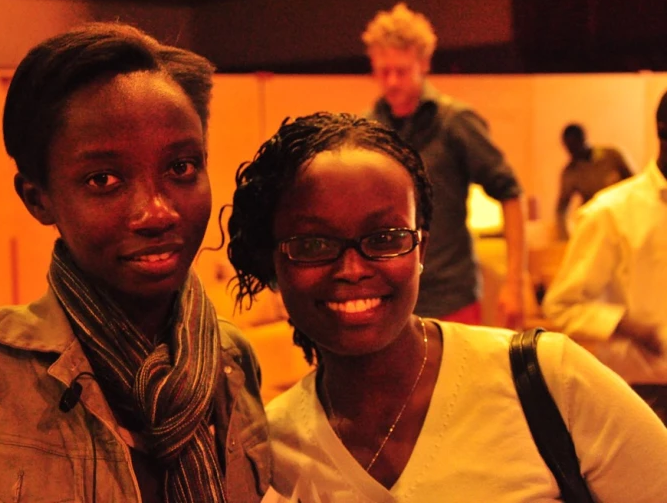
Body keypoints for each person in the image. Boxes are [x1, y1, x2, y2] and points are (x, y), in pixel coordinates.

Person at [0, 23, 270, 502]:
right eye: (104, 179)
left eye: (181, 168)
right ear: (38, 199)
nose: (157, 212)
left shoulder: (231, 362)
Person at [227, 111, 667, 502]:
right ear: (273, 263)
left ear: (422, 252)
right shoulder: (271, 456)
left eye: (385, 239)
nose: (352, 268)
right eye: (314, 244)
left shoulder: (545, 379)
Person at [363, 2, 526, 328]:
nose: (392, 82)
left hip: (452, 298)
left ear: (424, 63)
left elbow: (510, 193)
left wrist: (515, 283)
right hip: (391, 297)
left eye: (402, 70)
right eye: (384, 71)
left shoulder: (456, 122)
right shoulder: (369, 128)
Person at [543, 93, 667, 422]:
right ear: (663, 131)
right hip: (646, 390)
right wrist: (627, 325)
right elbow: (561, 305)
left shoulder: (612, 159)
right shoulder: (609, 213)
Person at [555, 123, 634, 240]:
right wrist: (566, 238)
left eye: (576, 146)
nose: (573, 152)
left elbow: (634, 183)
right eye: (570, 148)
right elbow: (561, 209)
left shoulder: (612, 156)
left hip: (622, 218)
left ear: (584, 139)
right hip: (595, 225)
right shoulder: (571, 173)